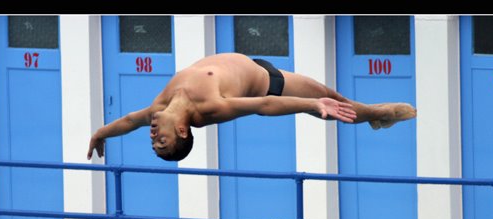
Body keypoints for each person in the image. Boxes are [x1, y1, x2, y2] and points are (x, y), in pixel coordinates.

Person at [87, 53, 417, 162]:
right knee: (333, 101)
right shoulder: (210, 107)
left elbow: (129, 121)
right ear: (183, 130)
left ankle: (370, 115)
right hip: (267, 81)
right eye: (162, 140)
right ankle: (377, 115)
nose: (153, 134)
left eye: (153, 139)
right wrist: (309, 104)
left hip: (249, 61)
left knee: (332, 100)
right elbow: (264, 104)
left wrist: (100, 134)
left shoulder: (158, 108)